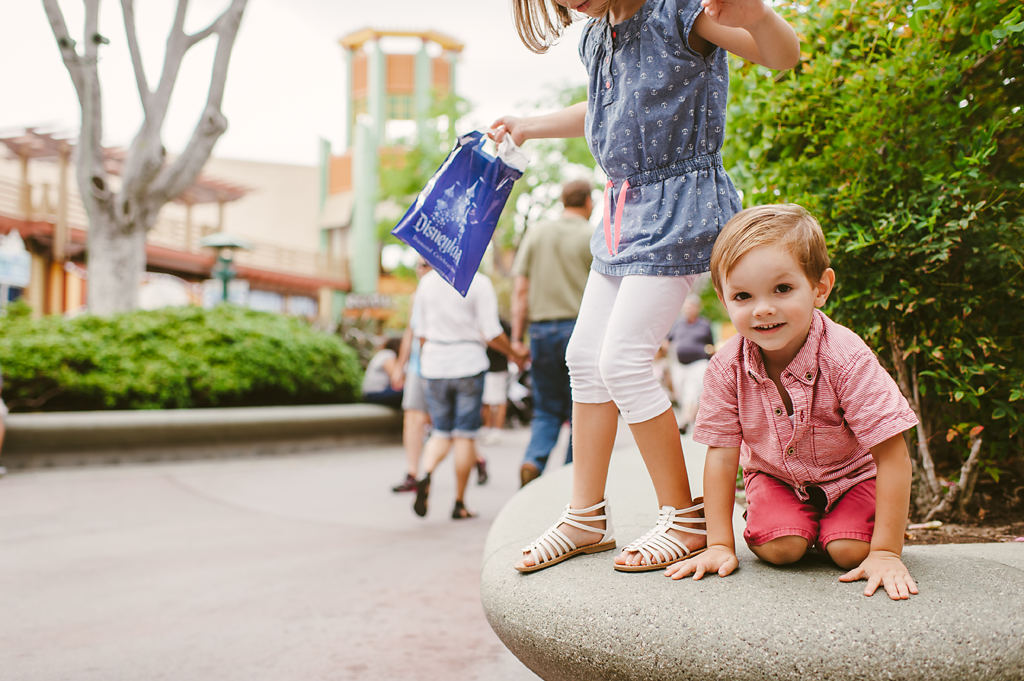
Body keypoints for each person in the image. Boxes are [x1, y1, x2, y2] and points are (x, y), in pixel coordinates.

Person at [492, 0, 800, 572]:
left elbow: (781, 56)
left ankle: (683, 518)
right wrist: (530, 126)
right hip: (622, 214)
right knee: (584, 359)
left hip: (681, 207)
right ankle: (586, 516)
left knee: (625, 362)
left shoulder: (677, 12)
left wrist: (756, 16)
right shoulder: (595, 36)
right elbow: (604, 109)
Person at [668, 204, 920, 601]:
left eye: (782, 289)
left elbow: (893, 455)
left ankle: (846, 526)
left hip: (852, 476)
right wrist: (718, 544)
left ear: (820, 288)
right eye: (743, 296)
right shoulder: (725, 366)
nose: (763, 308)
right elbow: (721, 456)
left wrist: (886, 552)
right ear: (724, 298)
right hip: (776, 477)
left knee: (850, 550)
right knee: (780, 547)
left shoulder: (845, 356)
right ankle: (798, 522)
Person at [412, 267, 527, 520]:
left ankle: (426, 472)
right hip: (468, 363)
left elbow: (420, 334)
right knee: (465, 435)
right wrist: (515, 353)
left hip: (434, 363)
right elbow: (492, 332)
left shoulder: (427, 282)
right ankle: (459, 503)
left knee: (441, 432)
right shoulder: (479, 282)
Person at [511, 178, 594, 487]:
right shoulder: (591, 236)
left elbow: (520, 292)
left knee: (545, 407)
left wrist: (518, 339)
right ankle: (570, 476)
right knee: (581, 407)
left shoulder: (537, 233)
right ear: (587, 201)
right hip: (580, 329)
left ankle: (534, 460)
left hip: (541, 331)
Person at [389, 267, 432, 493]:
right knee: (412, 417)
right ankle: (412, 474)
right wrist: (400, 366)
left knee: (450, 427)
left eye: (425, 263)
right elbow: (410, 332)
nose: (419, 268)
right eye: (418, 263)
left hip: (442, 367)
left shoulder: (452, 291)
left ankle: (476, 460)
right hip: (418, 366)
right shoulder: (417, 295)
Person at [665, 294, 714, 434]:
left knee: (692, 391)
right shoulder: (678, 324)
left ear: (697, 308)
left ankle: (686, 420)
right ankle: (691, 416)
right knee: (681, 393)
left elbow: (711, 345)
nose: (688, 309)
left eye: (690, 306)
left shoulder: (704, 324)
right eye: (686, 307)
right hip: (680, 364)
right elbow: (668, 341)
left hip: (699, 362)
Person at [480, 320, 512, 447]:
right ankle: (487, 428)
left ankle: (497, 431)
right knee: (487, 400)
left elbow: (499, 341)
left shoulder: (501, 324)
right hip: (485, 367)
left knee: (498, 400)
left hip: (497, 367)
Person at [361, 337, 404, 409]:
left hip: (374, 394)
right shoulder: (388, 354)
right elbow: (396, 380)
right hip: (374, 394)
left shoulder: (384, 354)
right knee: (408, 392)